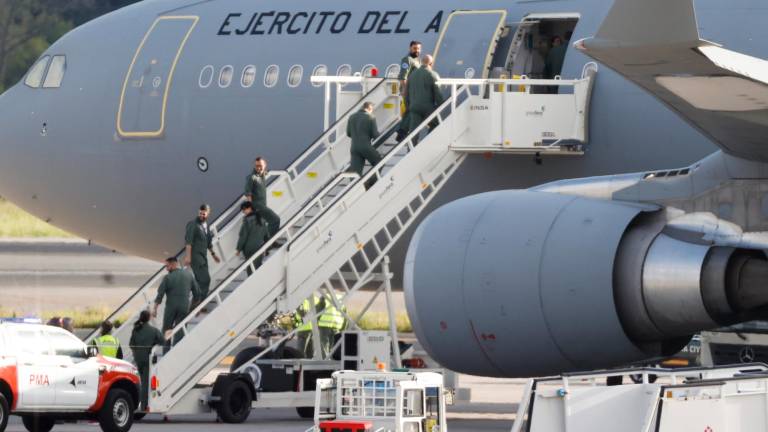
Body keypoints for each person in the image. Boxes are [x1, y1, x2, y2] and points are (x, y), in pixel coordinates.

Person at [153, 257, 199, 346]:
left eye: (167, 266)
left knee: (166, 329)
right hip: (184, 307)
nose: (166, 268)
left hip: (171, 307)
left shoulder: (167, 278)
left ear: (173, 264)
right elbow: (197, 294)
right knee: (180, 329)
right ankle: (176, 349)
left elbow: (160, 295)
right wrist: (193, 307)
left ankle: (166, 353)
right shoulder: (189, 275)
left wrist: (155, 309)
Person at [184, 204, 220, 304]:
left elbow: (208, 243)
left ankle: (195, 304)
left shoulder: (206, 226)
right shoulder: (193, 224)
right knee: (205, 280)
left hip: (203, 257)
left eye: (204, 214)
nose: (201, 215)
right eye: (200, 213)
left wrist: (214, 255)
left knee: (200, 281)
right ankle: (198, 304)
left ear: (208, 214)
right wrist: (188, 257)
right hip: (196, 257)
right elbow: (188, 242)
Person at [129, 310, 165, 412]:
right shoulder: (153, 330)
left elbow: (131, 344)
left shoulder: (136, 330)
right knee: (145, 383)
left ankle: (142, 403)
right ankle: (144, 405)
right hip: (147, 359)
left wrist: (137, 352)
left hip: (138, 358)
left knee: (142, 381)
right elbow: (162, 341)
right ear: (149, 318)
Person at [407, 54, 444, 144]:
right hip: (427, 107)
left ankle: (410, 151)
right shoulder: (432, 74)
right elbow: (438, 93)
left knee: (413, 132)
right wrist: (441, 104)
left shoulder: (412, 75)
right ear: (431, 64)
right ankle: (426, 144)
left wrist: (409, 105)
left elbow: (407, 93)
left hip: (413, 107)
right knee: (436, 123)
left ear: (421, 62)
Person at [347, 101, 382, 190]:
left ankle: (355, 190)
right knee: (380, 162)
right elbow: (375, 134)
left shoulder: (351, 117)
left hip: (354, 148)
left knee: (355, 173)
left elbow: (348, 133)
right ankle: (369, 183)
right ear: (370, 109)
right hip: (365, 146)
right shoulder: (370, 117)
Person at [244, 157, 281, 239]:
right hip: (257, 206)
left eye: (260, 165)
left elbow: (265, 172)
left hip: (263, 205)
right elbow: (248, 194)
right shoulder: (251, 177)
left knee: (262, 227)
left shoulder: (262, 175)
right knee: (275, 220)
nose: (258, 168)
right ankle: (270, 242)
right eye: (256, 166)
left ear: (265, 165)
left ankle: (266, 244)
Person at [395, 40, 422, 142]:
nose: (417, 50)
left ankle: (402, 132)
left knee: (410, 112)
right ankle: (401, 132)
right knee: (411, 111)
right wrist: (406, 92)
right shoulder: (407, 60)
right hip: (408, 92)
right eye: (415, 48)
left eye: (418, 48)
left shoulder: (417, 61)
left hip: (414, 92)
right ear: (410, 48)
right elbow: (403, 77)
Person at [236, 202, 270, 275]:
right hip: (259, 246)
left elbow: (243, 236)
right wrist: (267, 246)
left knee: (250, 268)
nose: (243, 211)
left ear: (250, 208)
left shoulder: (247, 221)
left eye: (244, 209)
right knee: (258, 265)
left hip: (249, 248)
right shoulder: (261, 219)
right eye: (242, 210)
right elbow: (266, 234)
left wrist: (238, 249)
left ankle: (251, 283)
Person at [317, 292, 347, 357]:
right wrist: (343, 328)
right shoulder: (341, 298)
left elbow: (318, 310)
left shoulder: (324, 297)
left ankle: (325, 362)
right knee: (334, 346)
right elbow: (345, 315)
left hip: (324, 325)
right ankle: (332, 361)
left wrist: (316, 323)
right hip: (337, 326)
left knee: (324, 345)